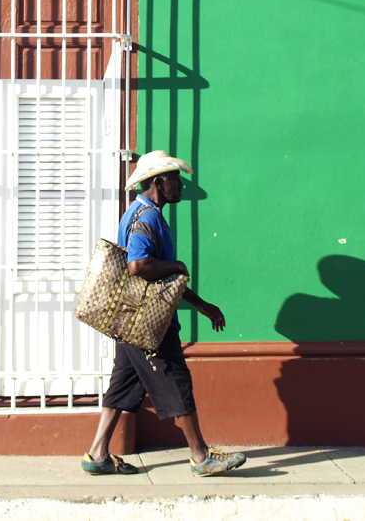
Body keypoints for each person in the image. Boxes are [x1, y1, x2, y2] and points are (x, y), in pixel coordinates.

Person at [81, 150, 246, 477]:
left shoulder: (139, 211)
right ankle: (201, 457)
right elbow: (139, 266)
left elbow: (161, 280)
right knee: (176, 381)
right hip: (149, 325)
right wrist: (178, 265)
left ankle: (98, 454)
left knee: (123, 386)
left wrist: (200, 304)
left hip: (128, 320)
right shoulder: (150, 217)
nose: (181, 186)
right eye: (175, 179)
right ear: (159, 182)